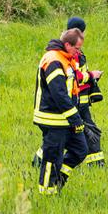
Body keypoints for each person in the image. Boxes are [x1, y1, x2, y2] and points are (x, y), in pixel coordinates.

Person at [34, 28, 88, 195]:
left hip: (64, 118)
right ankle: (47, 194)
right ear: (67, 44)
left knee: (81, 150)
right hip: (53, 118)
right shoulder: (54, 61)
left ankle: (58, 180)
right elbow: (59, 94)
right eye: (76, 48)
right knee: (52, 158)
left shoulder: (65, 58)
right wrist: (75, 119)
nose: (78, 52)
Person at [68, 16, 105, 166]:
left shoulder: (73, 50)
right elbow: (74, 76)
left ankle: (96, 163)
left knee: (64, 134)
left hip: (78, 100)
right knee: (90, 132)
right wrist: (91, 76)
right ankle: (97, 163)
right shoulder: (74, 53)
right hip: (77, 101)